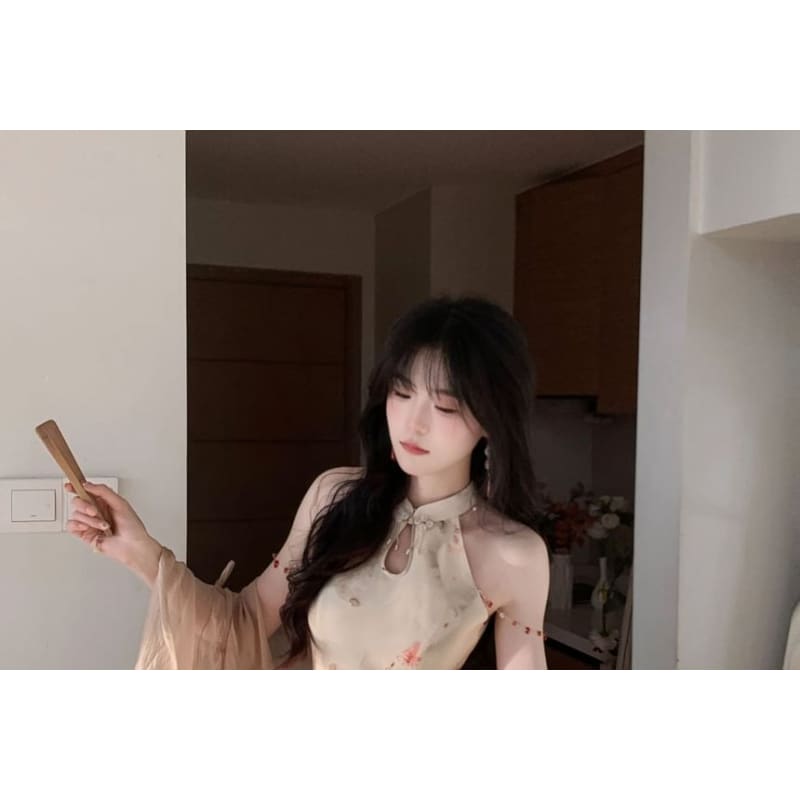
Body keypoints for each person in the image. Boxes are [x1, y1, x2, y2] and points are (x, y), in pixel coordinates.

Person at [66, 295, 550, 669]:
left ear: (491, 420)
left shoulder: (514, 555)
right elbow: (242, 622)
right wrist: (139, 550)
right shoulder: (334, 497)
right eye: (402, 393)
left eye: (444, 406)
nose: (413, 423)